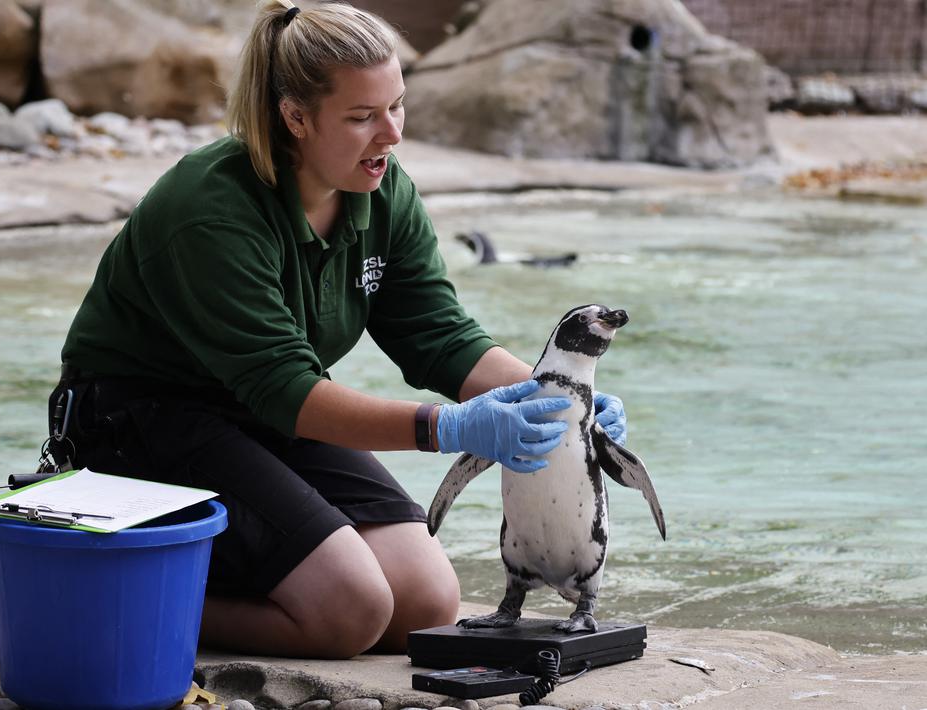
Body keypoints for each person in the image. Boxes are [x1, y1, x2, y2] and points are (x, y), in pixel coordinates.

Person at [48, 0, 627, 659]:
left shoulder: (380, 189)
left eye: (396, 107)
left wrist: (555, 397)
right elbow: (285, 389)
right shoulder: (210, 209)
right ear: (295, 117)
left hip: (260, 412)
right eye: (361, 117)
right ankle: (110, 598)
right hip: (139, 421)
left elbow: (435, 332)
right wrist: (449, 429)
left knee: (422, 602)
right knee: (347, 613)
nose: (390, 135)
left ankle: (223, 587)